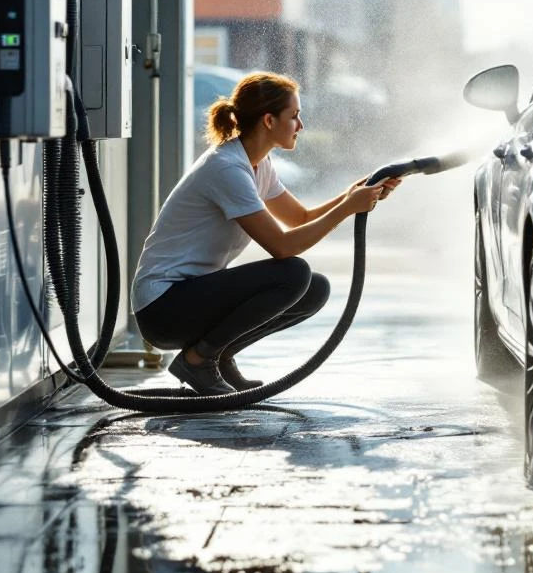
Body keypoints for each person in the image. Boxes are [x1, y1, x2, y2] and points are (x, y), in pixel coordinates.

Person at [130, 71, 401, 395]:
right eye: (294, 116)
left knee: (314, 288)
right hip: (163, 307)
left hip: (187, 298)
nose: (300, 126)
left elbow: (299, 217)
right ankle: (199, 359)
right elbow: (282, 247)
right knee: (293, 273)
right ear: (269, 120)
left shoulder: (258, 164)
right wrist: (348, 207)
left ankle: (219, 352)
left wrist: (354, 194)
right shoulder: (228, 168)